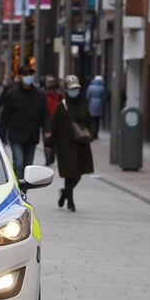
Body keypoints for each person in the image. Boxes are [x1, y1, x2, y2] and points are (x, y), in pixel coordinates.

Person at [50, 75, 94, 211]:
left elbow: (88, 121)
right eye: (71, 89)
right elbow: (54, 126)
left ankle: (64, 193)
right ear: (66, 90)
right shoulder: (61, 106)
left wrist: (90, 134)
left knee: (78, 174)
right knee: (70, 174)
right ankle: (70, 202)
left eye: (76, 88)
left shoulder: (83, 104)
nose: (74, 91)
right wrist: (50, 145)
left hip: (81, 144)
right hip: (65, 145)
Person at [0, 66, 49, 178]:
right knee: (19, 164)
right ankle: (17, 188)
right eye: (26, 75)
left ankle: (24, 191)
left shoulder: (39, 94)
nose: (28, 77)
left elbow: (45, 113)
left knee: (28, 167)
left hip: (32, 135)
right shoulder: (12, 93)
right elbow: (5, 115)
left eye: (30, 75)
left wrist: (47, 129)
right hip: (16, 135)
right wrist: (1, 134)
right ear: (20, 76)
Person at [42, 77, 63, 166]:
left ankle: (52, 157)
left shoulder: (59, 96)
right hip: (46, 121)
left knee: (54, 140)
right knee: (46, 140)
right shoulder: (43, 96)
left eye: (52, 88)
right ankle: (48, 158)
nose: (51, 90)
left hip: (57, 121)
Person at [86, 75, 106, 140]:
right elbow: (103, 98)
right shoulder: (102, 88)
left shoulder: (90, 87)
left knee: (91, 121)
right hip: (99, 106)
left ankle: (92, 133)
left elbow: (87, 96)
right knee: (97, 121)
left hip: (91, 105)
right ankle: (96, 134)